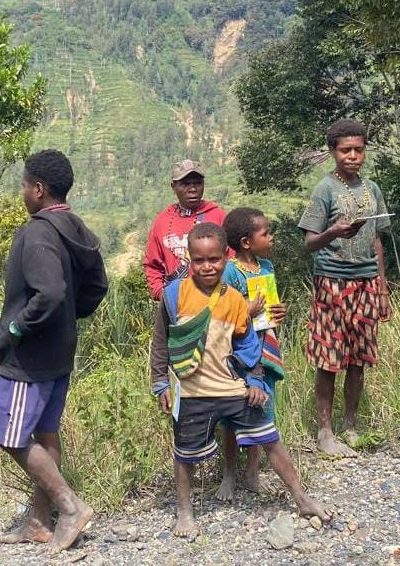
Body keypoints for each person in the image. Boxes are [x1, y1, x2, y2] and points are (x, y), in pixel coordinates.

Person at [150, 223, 330, 538]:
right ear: (189, 259)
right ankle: (184, 512)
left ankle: (301, 498)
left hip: (232, 388)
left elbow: (248, 346)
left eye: (214, 260)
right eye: (199, 260)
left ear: (226, 257)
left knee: (270, 438)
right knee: (184, 453)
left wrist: (257, 383)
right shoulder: (174, 295)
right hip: (191, 392)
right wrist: (161, 384)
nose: (207, 267)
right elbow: (161, 343)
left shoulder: (234, 299)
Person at [0, 149, 108, 552]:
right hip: (60, 349)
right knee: (44, 429)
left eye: (23, 185)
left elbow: (50, 292)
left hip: (30, 356)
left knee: (9, 433)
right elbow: (96, 287)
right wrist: (68, 318)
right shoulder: (77, 228)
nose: (22, 192)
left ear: (38, 189)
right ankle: (39, 521)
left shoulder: (39, 231)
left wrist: (19, 327)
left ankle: (69, 506)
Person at [296, 119, 392, 458]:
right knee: (329, 357)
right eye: (345, 150)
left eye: (358, 150)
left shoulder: (372, 190)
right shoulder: (325, 189)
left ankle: (351, 425)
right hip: (332, 283)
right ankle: (325, 431)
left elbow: (377, 239)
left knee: (358, 358)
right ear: (333, 152)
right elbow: (309, 242)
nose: (352, 156)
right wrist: (333, 233)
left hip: (366, 282)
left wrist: (380, 285)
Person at [216, 206, 286, 499]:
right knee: (235, 415)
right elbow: (220, 314)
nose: (271, 238)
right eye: (265, 233)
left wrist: (278, 312)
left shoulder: (266, 268)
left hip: (264, 348)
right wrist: (247, 309)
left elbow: (271, 307)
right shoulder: (230, 272)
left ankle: (253, 471)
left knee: (262, 410)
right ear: (246, 242)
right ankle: (229, 473)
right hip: (239, 354)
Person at [143, 159, 225, 300]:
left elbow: (233, 259)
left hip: (214, 302)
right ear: (173, 186)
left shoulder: (218, 216)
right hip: (175, 304)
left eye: (197, 183)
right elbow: (152, 265)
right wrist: (161, 293)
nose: (192, 189)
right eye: (185, 184)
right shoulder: (162, 221)